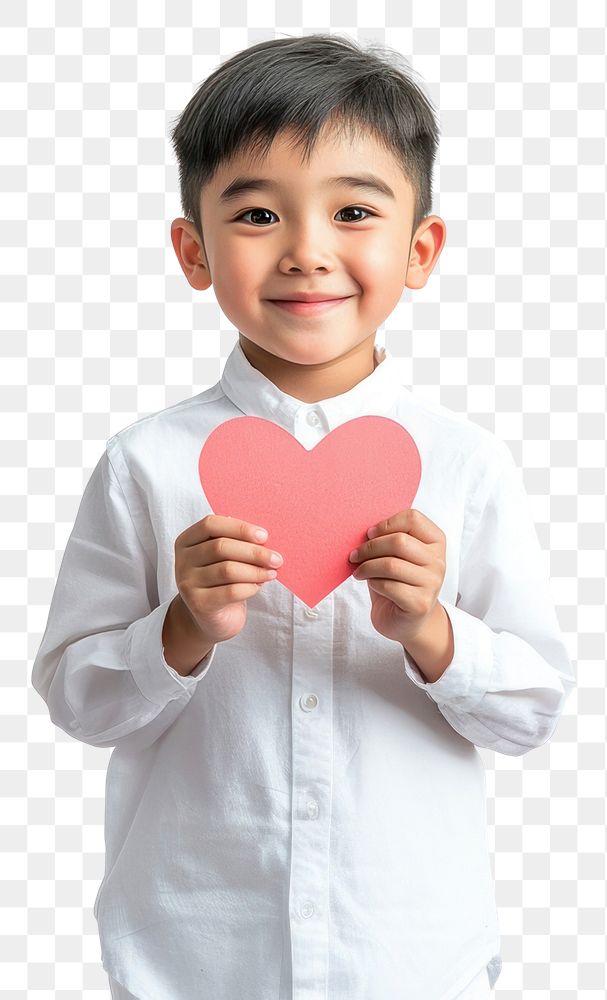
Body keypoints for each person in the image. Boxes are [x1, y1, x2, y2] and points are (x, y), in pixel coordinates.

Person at [31, 33, 575, 1000]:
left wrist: (432, 629)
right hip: (191, 956)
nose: (306, 250)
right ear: (192, 251)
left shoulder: (464, 465)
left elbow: (533, 709)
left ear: (419, 251)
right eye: (256, 213)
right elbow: (78, 700)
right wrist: (181, 629)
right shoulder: (146, 466)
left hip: (407, 957)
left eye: (352, 211)